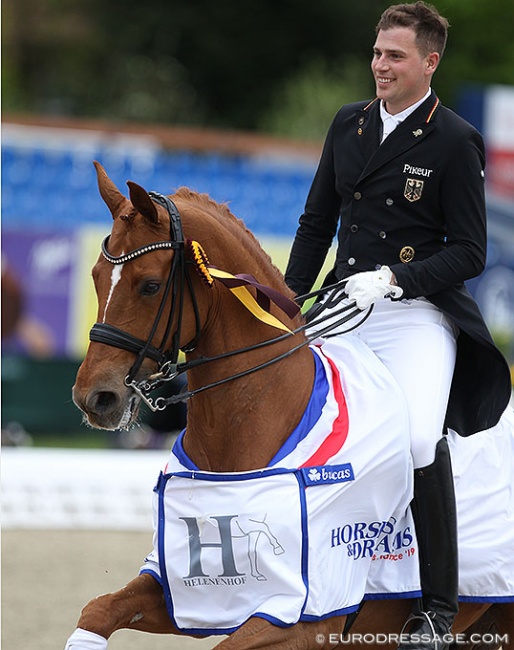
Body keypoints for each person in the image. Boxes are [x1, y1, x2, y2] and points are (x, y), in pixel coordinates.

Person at [284, 2, 512, 649]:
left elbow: (469, 251)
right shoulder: (347, 124)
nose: (380, 65)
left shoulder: (456, 140)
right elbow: (314, 222)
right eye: (378, 53)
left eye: (395, 56)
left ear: (428, 63)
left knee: (416, 437)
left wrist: (394, 280)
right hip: (343, 307)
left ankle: (438, 606)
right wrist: (288, 299)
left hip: (414, 315)